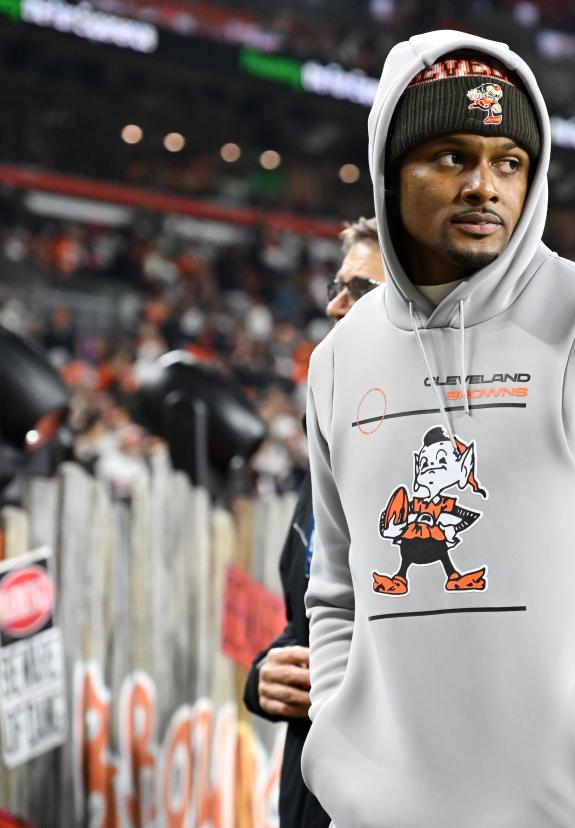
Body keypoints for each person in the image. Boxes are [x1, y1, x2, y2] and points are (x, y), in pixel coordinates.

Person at [301, 31, 575, 827]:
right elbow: (336, 594)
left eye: (509, 162)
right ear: (389, 172)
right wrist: (341, 757)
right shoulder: (337, 362)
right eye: (450, 157)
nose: (484, 186)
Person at [242, 217, 384, 828]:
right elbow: (305, 622)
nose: (333, 306)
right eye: (337, 285)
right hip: (310, 798)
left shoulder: (458, 471)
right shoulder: (334, 448)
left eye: (360, 291)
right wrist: (266, 676)